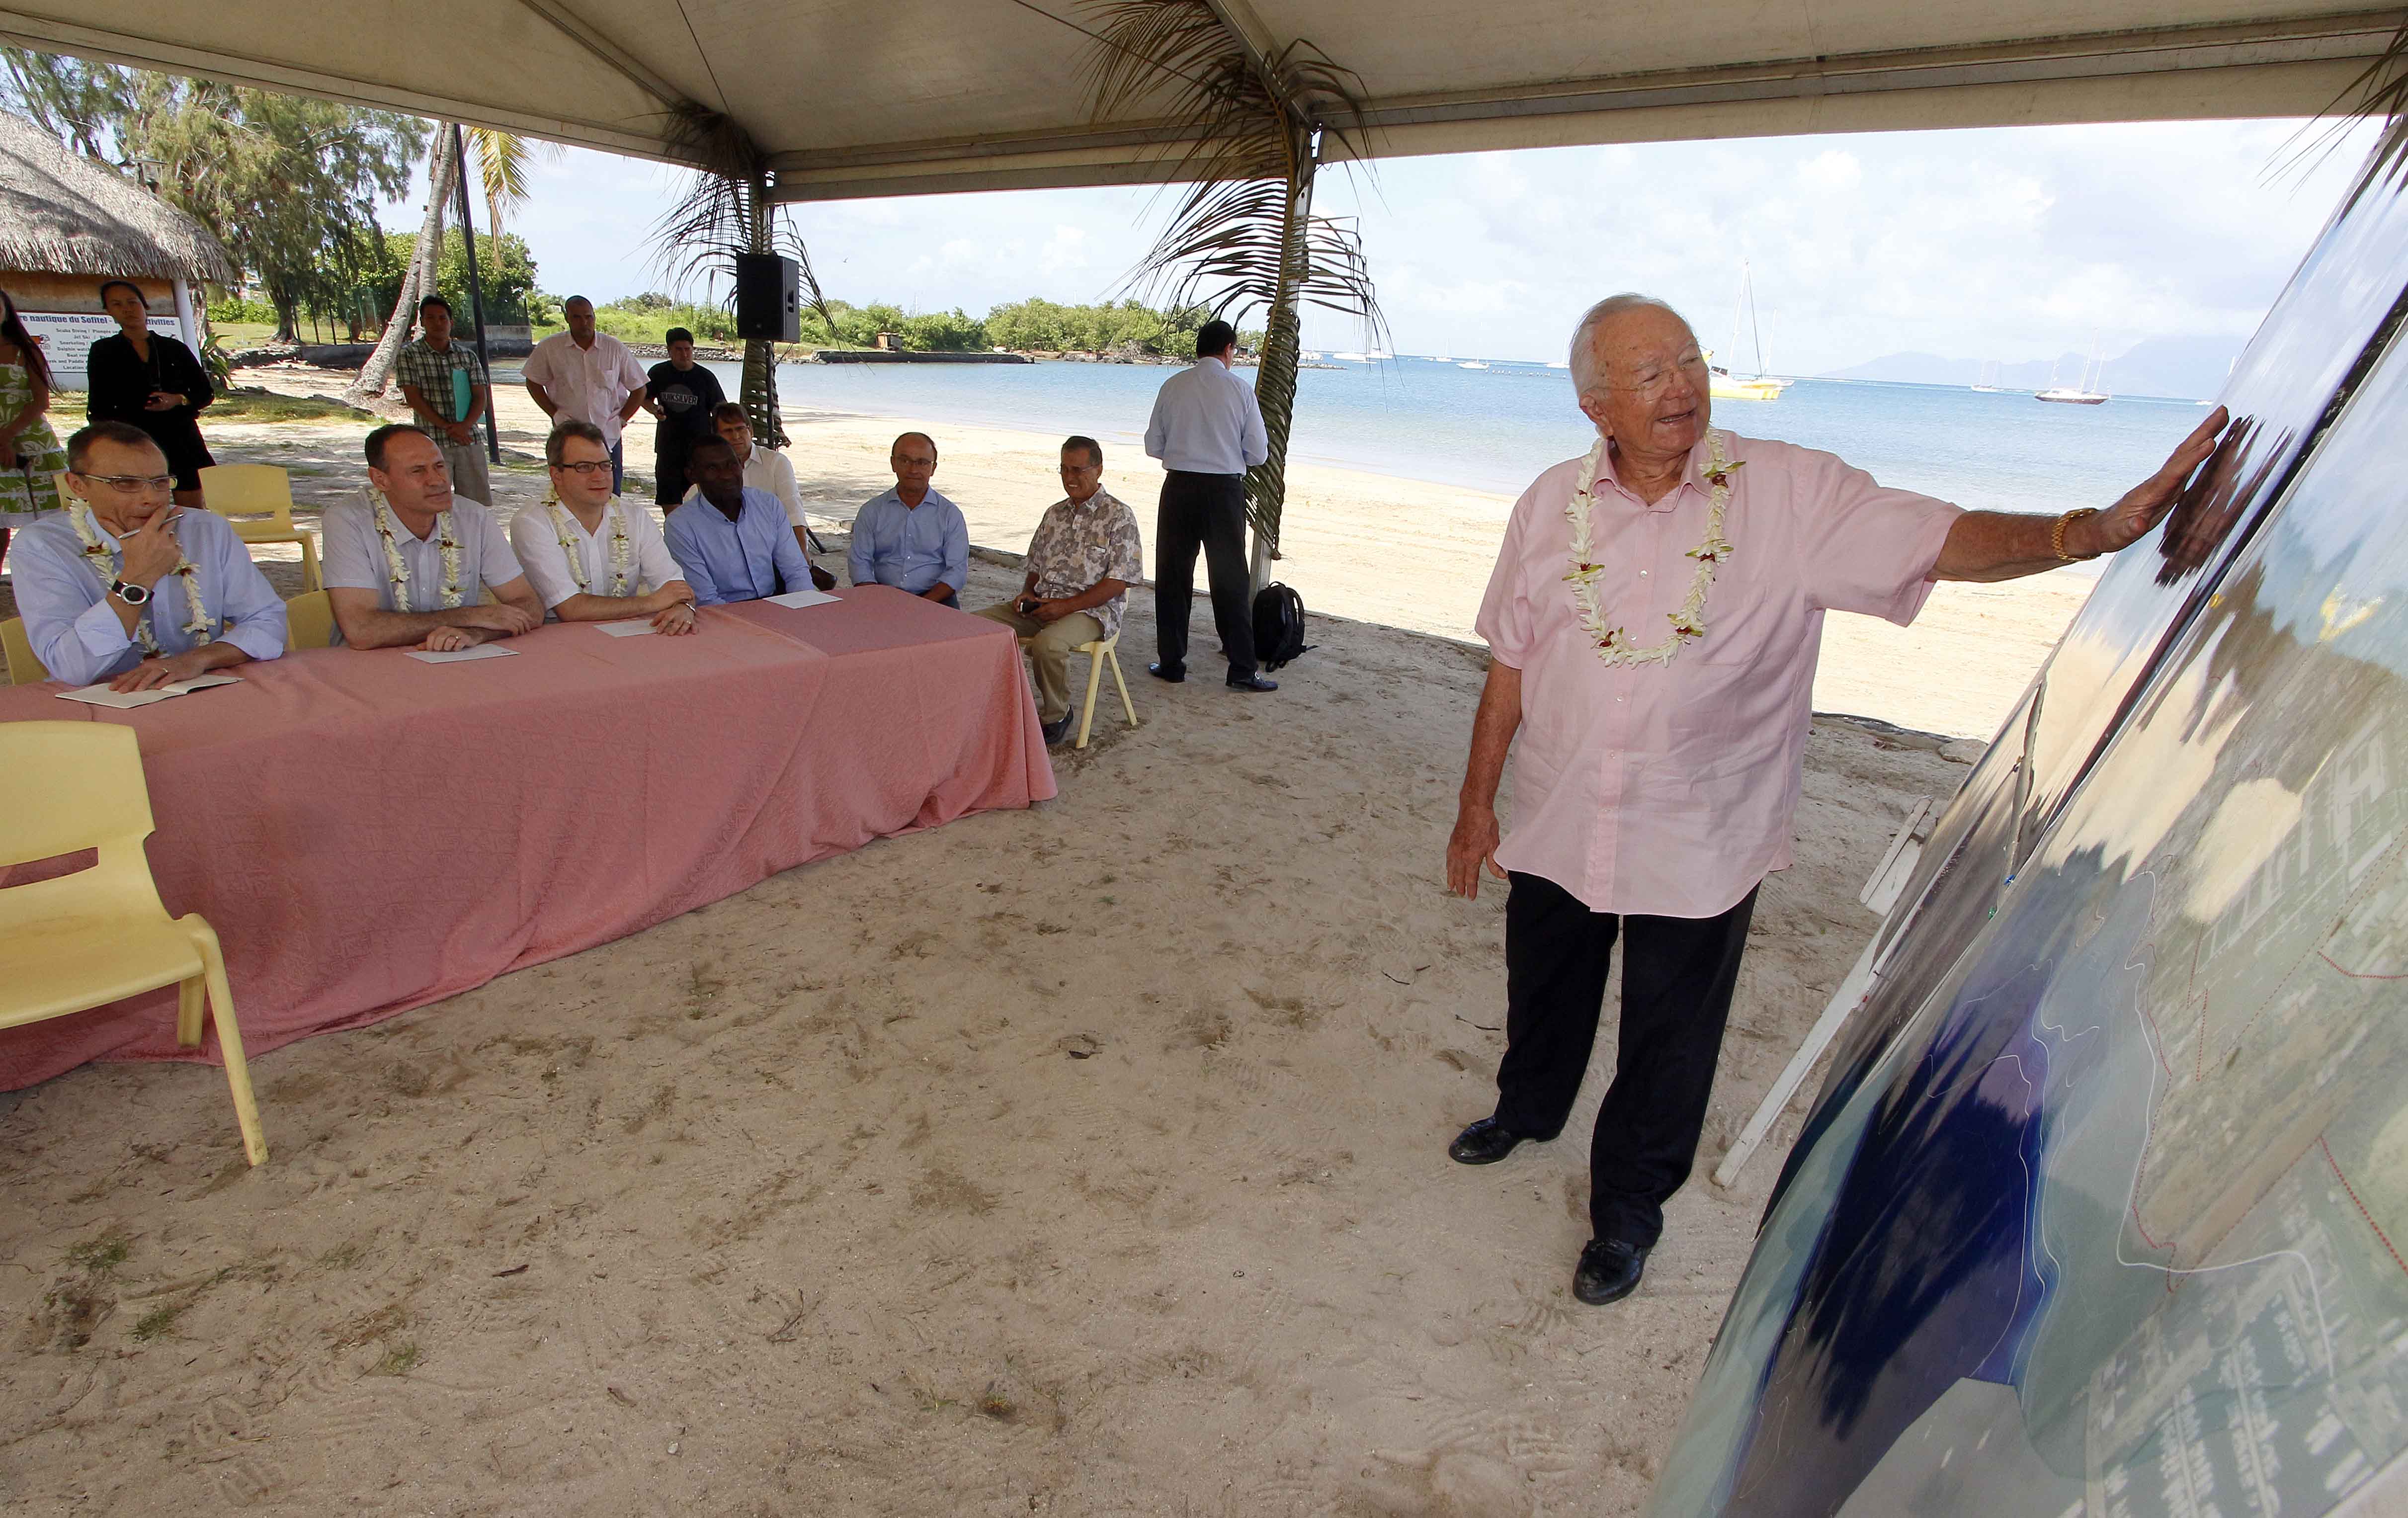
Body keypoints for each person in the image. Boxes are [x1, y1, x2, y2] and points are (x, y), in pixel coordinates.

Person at [1443, 294, 2229, 1308]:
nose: (1680, 386)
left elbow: (1936, 539)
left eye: (1689, 361)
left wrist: (2084, 531)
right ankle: (1527, 1109)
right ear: (1596, 406)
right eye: (1649, 374)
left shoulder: (1788, 494)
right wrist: (1476, 805)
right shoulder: (1548, 503)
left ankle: (1627, 1213)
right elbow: (1508, 662)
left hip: (1702, 833)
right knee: (1543, 983)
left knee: (1668, 1041)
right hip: (1557, 811)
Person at [13, 421, 285, 689]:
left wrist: (197, 659)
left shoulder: (206, 530)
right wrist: (138, 578)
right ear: (78, 485)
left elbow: (268, 622)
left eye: (160, 482)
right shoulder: (43, 546)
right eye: (126, 483)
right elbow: (71, 667)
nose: (151, 498)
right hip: (98, 704)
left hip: (199, 690)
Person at [975, 436, 1144, 746]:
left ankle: (1057, 713)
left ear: (1099, 469)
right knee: (972, 628)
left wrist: (1065, 607)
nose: (1070, 478)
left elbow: (1118, 582)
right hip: (1042, 604)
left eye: (1078, 470)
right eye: (1064, 469)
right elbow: (1035, 565)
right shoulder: (1054, 514)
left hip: (1092, 612)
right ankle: (990, 705)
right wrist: (1028, 593)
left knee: (1048, 645)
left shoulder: (1119, 516)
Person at [323, 423, 543, 651]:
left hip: (457, 661)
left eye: (439, 466)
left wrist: (478, 633)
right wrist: (468, 616)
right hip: (370, 667)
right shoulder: (348, 520)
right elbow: (362, 630)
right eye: (418, 471)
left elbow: (530, 606)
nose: (437, 480)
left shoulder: (473, 517)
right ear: (380, 480)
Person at [1142, 319, 1274, 691]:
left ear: (1198, 348)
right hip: (1223, 492)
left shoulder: (1173, 385)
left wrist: (1188, 452)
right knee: (1229, 580)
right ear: (1229, 349)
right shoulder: (1239, 389)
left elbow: (1154, 445)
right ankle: (1241, 669)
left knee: (1172, 578)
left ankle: (1171, 663)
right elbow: (1258, 453)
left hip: (1179, 488)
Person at [509, 421, 697, 633]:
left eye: (605, 465)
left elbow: (674, 586)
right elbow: (570, 609)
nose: (599, 476)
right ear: (556, 475)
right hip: (556, 641)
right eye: (584, 467)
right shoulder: (532, 522)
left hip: (629, 635)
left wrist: (683, 607)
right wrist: (654, 602)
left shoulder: (635, 517)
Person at [84, 279, 214, 511]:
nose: (127, 309)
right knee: (140, 509)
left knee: (193, 513)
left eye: (132, 302)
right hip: (131, 441)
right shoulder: (103, 351)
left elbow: (204, 393)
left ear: (145, 306)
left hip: (180, 438)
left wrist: (178, 400)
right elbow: (99, 404)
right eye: (117, 304)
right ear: (108, 311)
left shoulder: (175, 349)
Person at [664, 435, 831, 605]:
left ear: (740, 465)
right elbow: (706, 599)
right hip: (724, 614)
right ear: (692, 475)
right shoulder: (680, 526)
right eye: (713, 469)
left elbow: (796, 571)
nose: (727, 475)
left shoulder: (768, 505)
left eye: (732, 465)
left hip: (777, 604)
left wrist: (805, 608)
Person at [522, 296, 647, 493]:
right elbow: (533, 381)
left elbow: (639, 388)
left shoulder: (614, 348)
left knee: (609, 492)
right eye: (577, 317)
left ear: (595, 317)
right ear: (567, 318)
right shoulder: (550, 348)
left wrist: (621, 420)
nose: (584, 323)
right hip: (567, 430)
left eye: (589, 317)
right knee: (568, 489)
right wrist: (555, 414)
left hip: (607, 433)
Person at [394, 294, 493, 506]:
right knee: (434, 501)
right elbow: (413, 398)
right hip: (431, 441)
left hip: (468, 438)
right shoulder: (409, 355)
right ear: (422, 322)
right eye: (431, 318)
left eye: (442, 318)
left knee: (476, 504)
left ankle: (474, 540)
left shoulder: (467, 356)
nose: (438, 323)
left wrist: (464, 427)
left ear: (451, 322)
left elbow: (480, 395)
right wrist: (448, 427)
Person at [847, 431, 966, 606]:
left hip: (936, 598)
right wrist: (874, 598)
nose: (913, 470)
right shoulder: (871, 511)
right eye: (905, 461)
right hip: (880, 595)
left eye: (922, 463)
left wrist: (921, 604)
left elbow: (957, 571)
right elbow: (859, 564)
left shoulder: (950, 514)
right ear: (893, 463)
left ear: (933, 468)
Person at [0, 285, 66, 572]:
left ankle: (46, 575)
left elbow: (41, 402)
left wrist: (7, 436)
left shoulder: (25, 350)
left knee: (45, 519)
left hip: (30, 442)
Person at [693, 401, 811, 557]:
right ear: (717, 437)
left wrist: (802, 556)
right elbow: (690, 516)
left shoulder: (776, 463)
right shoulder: (709, 470)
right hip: (726, 555)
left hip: (774, 551)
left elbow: (793, 510)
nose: (736, 437)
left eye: (741, 429)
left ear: (751, 431)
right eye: (728, 431)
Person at [642, 328, 727, 507]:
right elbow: (643, 398)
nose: (684, 354)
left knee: (701, 500)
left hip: (699, 450)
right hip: (668, 448)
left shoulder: (705, 377)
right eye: (679, 350)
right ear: (669, 351)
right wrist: (653, 409)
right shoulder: (659, 373)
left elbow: (721, 411)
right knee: (669, 499)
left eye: (688, 349)